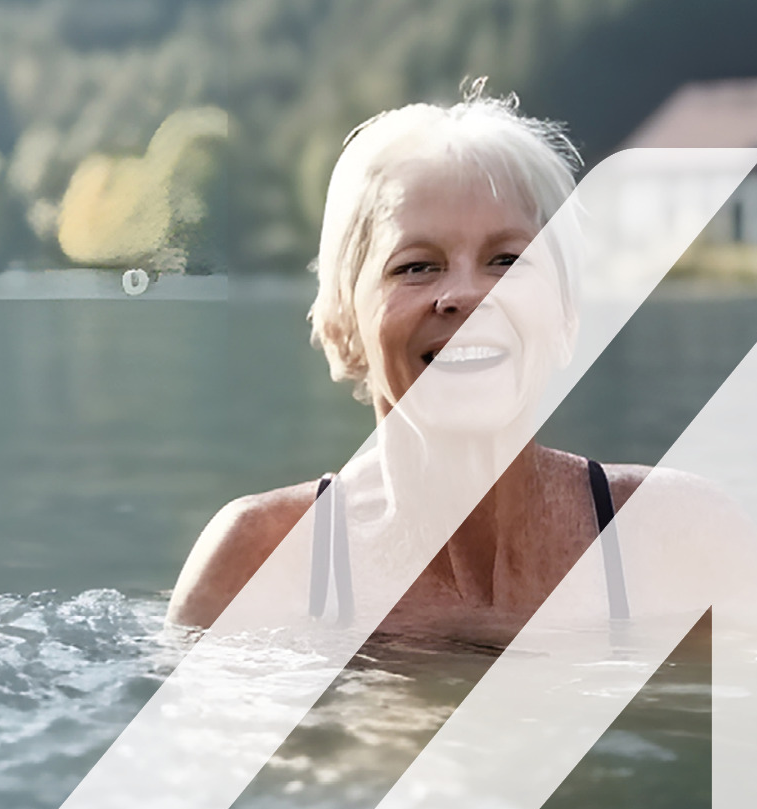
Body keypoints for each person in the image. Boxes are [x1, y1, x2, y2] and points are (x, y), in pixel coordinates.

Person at [168, 94, 641, 640]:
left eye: (508, 261)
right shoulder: (258, 564)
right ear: (343, 322)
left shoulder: (673, 542)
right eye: (416, 266)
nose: (467, 295)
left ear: (565, 315)